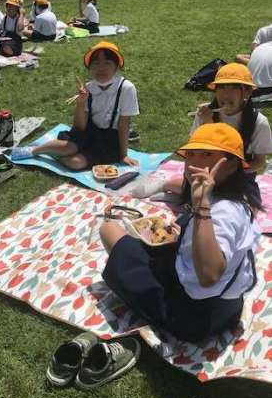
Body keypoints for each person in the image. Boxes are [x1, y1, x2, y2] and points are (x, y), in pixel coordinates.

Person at [101, 122, 261, 343]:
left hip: (192, 316)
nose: (194, 162)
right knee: (144, 245)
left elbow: (209, 275)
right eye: (191, 154)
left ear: (232, 165)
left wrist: (202, 205)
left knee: (109, 229)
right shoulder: (237, 200)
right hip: (229, 308)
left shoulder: (222, 212)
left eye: (207, 154)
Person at [130, 64, 272, 205]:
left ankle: (186, 195)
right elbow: (194, 151)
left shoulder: (258, 122)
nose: (225, 94)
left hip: (239, 176)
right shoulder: (205, 113)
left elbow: (259, 162)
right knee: (204, 194)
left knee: (247, 207)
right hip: (204, 170)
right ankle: (166, 185)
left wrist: (232, 171)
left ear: (247, 92)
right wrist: (207, 122)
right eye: (221, 87)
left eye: (234, 87)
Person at [12, 41, 139, 169]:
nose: (101, 68)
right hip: (88, 132)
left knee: (75, 163)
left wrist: (123, 155)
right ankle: (34, 150)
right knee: (70, 148)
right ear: (90, 68)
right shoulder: (88, 88)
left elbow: (124, 124)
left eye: (107, 63)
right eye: (96, 63)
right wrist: (81, 102)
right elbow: (79, 127)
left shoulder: (126, 88)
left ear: (116, 67)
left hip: (109, 138)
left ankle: (54, 152)